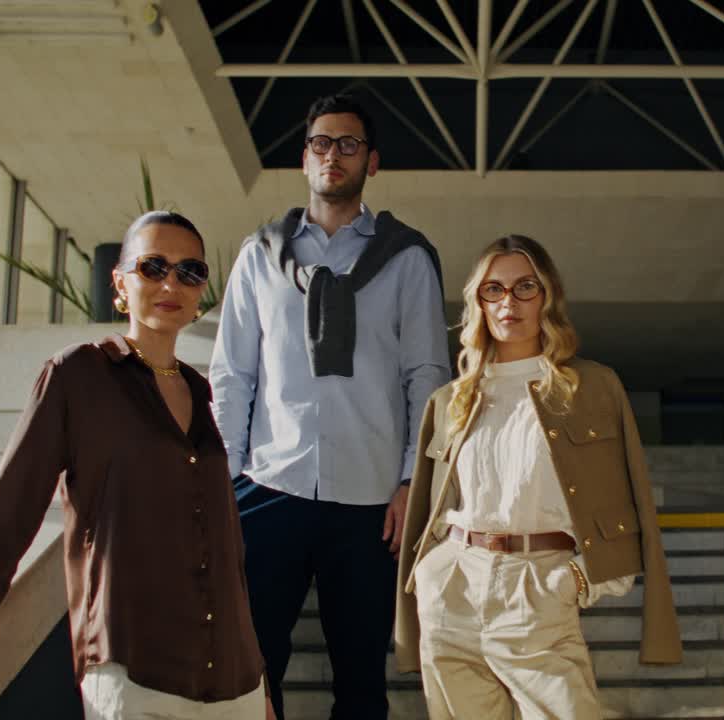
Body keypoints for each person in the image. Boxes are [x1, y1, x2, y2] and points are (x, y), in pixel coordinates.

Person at [0, 211, 268, 719]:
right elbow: (9, 516)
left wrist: (260, 682)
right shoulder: (77, 376)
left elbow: (225, 550)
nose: (170, 283)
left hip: (235, 684)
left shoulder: (203, 395)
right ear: (120, 281)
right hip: (137, 675)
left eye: (189, 271)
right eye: (153, 266)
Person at [210, 94, 450, 719]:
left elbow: (427, 376)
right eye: (321, 143)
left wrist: (410, 481)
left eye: (348, 144)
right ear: (305, 158)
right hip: (267, 487)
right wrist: (225, 480)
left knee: (362, 679)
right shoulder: (259, 255)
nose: (332, 155)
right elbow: (232, 372)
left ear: (372, 162)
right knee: (253, 670)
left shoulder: (407, 258)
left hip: (371, 502)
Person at [394, 234, 683, 719]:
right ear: (478, 302)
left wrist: (576, 579)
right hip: (453, 590)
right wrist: (430, 574)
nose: (509, 302)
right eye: (494, 289)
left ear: (547, 296)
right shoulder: (450, 399)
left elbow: (628, 502)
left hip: (538, 588)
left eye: (525, 287)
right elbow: (430, 508)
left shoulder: (592, 387)